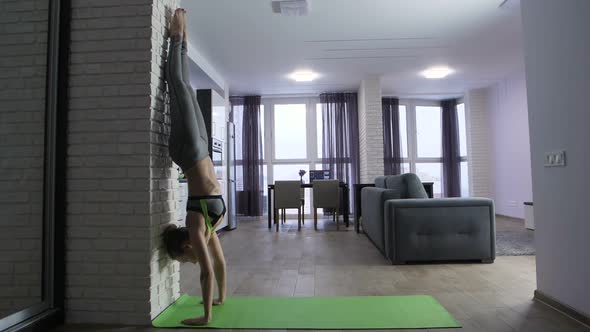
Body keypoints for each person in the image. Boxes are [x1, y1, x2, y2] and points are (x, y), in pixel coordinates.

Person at [160, 8, 226, 326]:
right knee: (183, 87)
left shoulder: (200, 226)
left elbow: (210, 269)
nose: (191, 260)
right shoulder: (203, 228)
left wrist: (207, 314)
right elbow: (216, 267)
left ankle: (178, 35)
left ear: (187, 245)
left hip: (191, 151)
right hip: (193, 151)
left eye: (185, 258)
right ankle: (182, 38)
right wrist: (217, 301)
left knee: (178, 85)